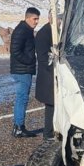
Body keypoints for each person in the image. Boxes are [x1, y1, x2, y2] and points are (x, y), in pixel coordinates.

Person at [10, 6, 40, 137]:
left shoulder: (26, 30)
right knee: (22, 99)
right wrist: (29, 61)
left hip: (23, 70)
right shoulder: (22, 30)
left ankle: (19, 126)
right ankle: (19, 127)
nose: (36, 22)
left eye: (38, 19)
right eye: (35, 19)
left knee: (22, 98)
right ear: (28, 18)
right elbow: (15, 51)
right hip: (22, 71)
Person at [35, 11, 56, 139]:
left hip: (53, 75)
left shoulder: (55, 32)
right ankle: (48, 135)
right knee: (51, 106)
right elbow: (43, 58)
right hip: (48, 76)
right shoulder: (44, 33)